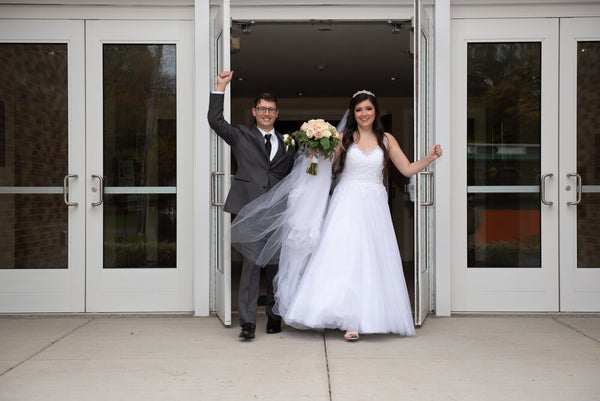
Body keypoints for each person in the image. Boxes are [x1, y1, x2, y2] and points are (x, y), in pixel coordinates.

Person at [207, 71, 295, 340]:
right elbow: (215, 120)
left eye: (271, 109)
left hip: (277, 213)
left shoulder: (289, 143)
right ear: (254, 111)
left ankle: (274, 316)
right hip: (249, 210)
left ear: (277, 113)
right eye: (262, 109)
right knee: (251, 265)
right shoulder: (241, 136)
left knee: (276, 267)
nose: (266, 113)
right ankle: (247, 323)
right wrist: (221, 87)